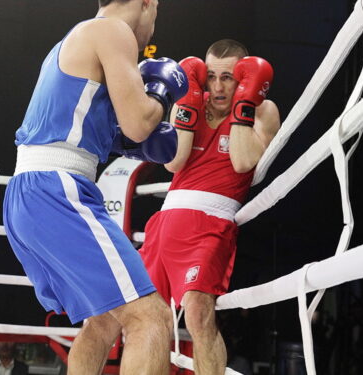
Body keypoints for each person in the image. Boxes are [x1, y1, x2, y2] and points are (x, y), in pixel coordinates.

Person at [2, 0, 188, 373]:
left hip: (34, 190)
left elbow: (109, 130)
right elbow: (138, 124)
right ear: (147, 2)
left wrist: (123, 140)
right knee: (151, 318)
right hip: (57, 189)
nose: (154, 25)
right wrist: (160, 95)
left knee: (104, 321)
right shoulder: (113, 31)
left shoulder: (79, 35)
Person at [139, 39, 280, 374]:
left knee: (199, 313)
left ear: (246, 76)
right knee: (150, 320)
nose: (217, 86)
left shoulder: (262, 110)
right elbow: (173, 164)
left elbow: (245, 162)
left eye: (229, 77)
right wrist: (187, 108)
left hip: (211, 224)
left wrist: (243, 105)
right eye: (212, 76)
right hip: (166, 222)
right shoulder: (191, 103)